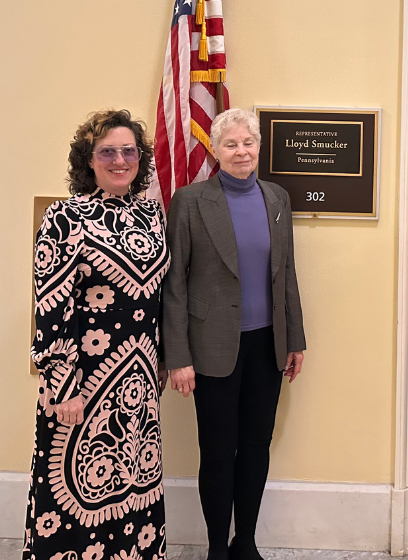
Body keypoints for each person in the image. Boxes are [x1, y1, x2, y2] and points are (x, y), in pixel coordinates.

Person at [25, 110, 170, 560]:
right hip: (82, 383)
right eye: (107, 151)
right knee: (72, 498)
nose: (120, 160)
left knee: (135, 488)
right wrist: (64, 386)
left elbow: (159, 297)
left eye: (129, 151)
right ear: (88, 160)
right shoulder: (65, 217)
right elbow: (51, 307)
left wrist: (162, 359)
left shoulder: (151, 215)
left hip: (139, 383)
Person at [162, 107, 306, 560]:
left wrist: (295, 340)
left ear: (259, 147)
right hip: (212, 348)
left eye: (248, 143)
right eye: (231, 144)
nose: (241, 151)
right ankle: (215, 549)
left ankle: (245, 542)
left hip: (267, 346)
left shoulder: (277, 197)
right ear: (215, 150)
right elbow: (175, 284)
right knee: (220, 450)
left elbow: (287, 276)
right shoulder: (189, 201)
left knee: (256, 448)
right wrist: (178, 356)